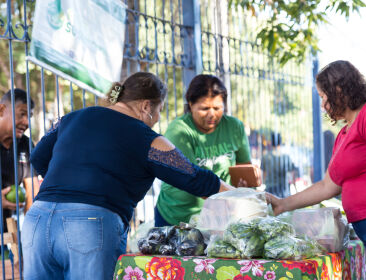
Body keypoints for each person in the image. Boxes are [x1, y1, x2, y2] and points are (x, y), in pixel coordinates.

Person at [22, 72, 235, 280]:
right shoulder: (144, 136)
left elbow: (38, 157)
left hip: (38, 220)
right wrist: (241, 195)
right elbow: (192, 177)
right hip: (88, 224)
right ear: (146, 106)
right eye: (159, 110)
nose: (158, 118)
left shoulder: (72, 118)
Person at [267, 60, 366, 279]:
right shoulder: (346, 133)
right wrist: (282, 204)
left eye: (323, 96)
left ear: (338, 90)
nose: (322, 105)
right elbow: (328, 185)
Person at [155, 74, 253, 226]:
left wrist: (243, 186)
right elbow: (192, 179)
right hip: (177, 217)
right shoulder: (179, 131)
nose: (212, 114)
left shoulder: (235, 127)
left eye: (217, 108)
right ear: (190, 104)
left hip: (222, 215)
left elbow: (244, 166)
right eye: (204, 108)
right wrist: (232, 196)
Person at [0, 89, 40, 227]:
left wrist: (31, 230)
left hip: (8, 231)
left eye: (29, 116)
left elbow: (32, 190)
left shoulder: (25, 145)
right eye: (22, 114)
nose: (26, 122)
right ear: (1, 110)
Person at [261, 132, 298, 197]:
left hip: (270, 191)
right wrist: (296, 190)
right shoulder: (286, 158)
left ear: (271, 142)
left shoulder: (265, 157)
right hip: (283, 191)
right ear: (280, 143)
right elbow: (292, 177)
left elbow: (264, 177)